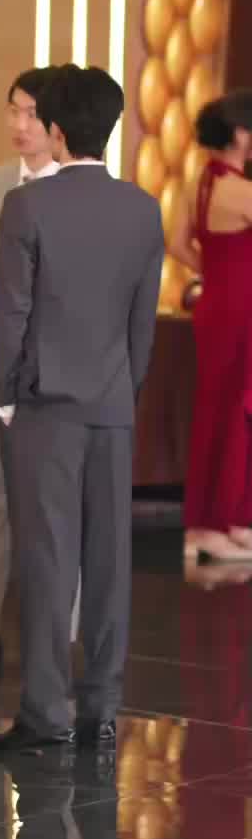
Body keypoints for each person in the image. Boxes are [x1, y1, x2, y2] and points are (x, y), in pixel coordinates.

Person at [0, 65, 164, 755]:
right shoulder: (143, 209)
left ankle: (46, 710)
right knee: (109, 561)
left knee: (48, 559)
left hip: (43, 408)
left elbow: (11, 314)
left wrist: (1, 395)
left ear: (56, 132)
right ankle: (102, 710)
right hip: (112, 407)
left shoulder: (27, 206)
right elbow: (142, 325)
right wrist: (123, 391)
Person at [0, 69, 58, 677]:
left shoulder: (76, 189)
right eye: (14, 111)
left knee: (50, 508)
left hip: (54, 373)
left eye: (32, 115)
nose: (20, 126)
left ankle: (52, 630)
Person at [169, 92, 252, 562]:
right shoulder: (241, 191)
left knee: (216, 410)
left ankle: (222, 521)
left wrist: (217, 274)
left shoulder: (199, 184)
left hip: (217, 305)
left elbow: (177, 244)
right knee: (236, 412)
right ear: (240, 134)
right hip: (241, 312)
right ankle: (213, 525)